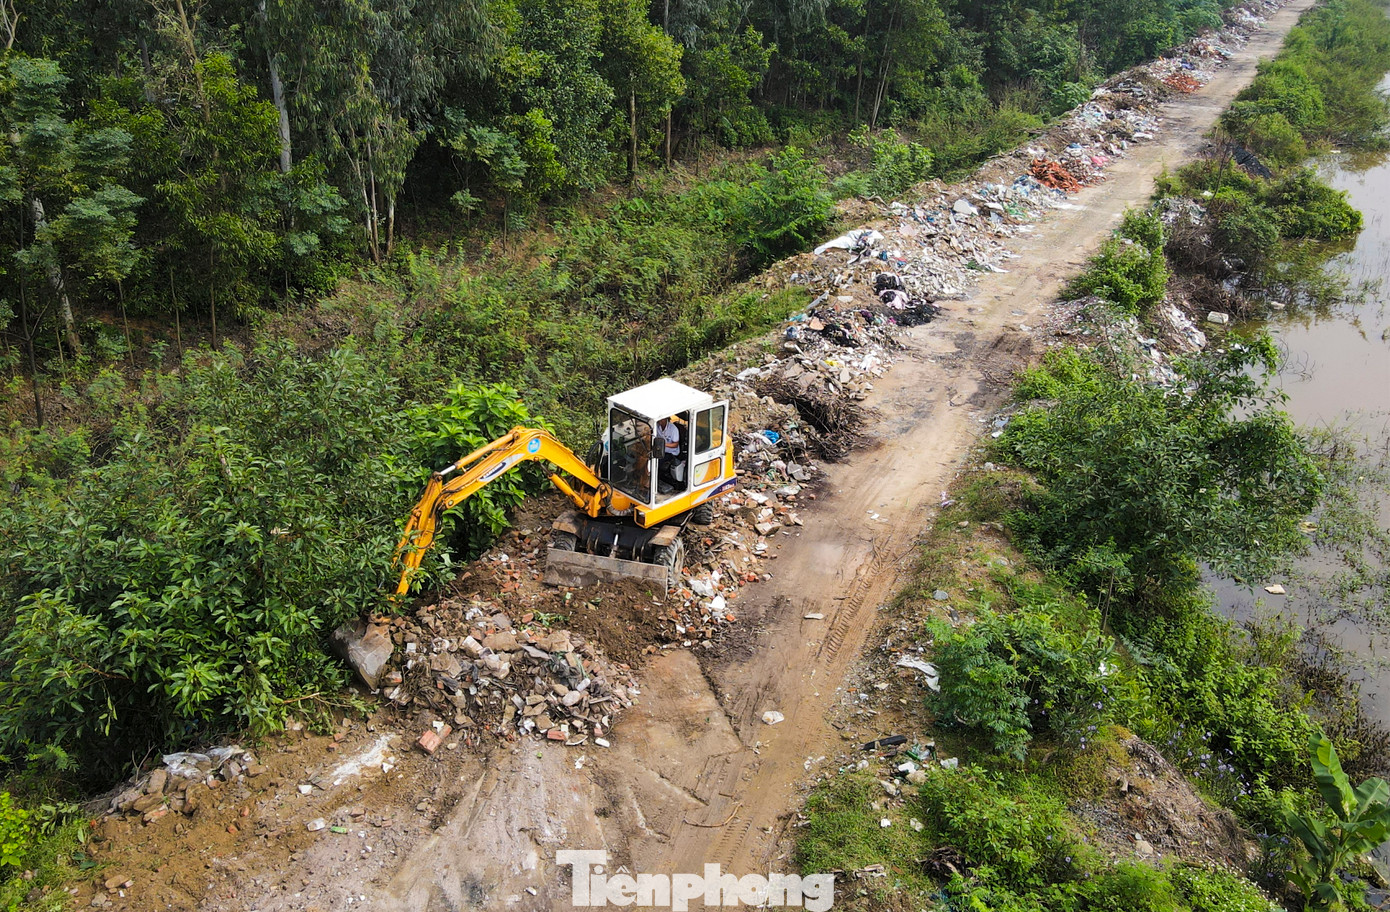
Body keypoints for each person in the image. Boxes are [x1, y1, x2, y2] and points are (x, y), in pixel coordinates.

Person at [655, 416, 682, 492]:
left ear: (666, 419)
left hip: (671, 452)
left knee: (657, 462)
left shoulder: (673, 429)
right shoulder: (657, 425)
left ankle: (656, 480)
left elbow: (675, 444)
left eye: (661, 419)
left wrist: (663, 444)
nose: (660, 421)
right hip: (660, 450)